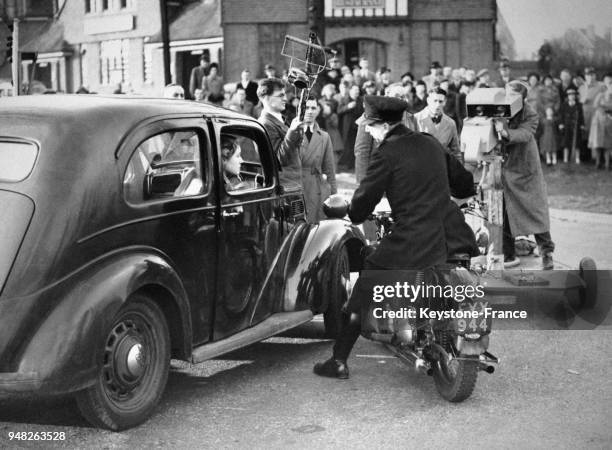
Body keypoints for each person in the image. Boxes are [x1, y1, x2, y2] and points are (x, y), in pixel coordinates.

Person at [312, 96, 465, 379]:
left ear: (382, 125)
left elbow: (360, 208)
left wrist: (353, 208)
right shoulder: (431, 142)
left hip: (412, 239)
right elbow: (465, 183)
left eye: (369, 126)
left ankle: (339, 361)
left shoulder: (386, 153)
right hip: (449, 236)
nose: (368, 131)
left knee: (363, 291)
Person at [493, 80, 555, 270]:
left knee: (536, 212)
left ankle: (547, 253)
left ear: (523, 98)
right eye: (507, 94)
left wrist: (505, 133)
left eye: (514, 96)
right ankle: (508, 254)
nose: (509, 99)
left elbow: (525, 134)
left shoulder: (530, 113)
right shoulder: (498, 108)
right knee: (504, 211)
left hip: (526, 168)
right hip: (506, 168)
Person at [256, 77, 303, 186]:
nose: (285, 99)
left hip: (293, 183)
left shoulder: (281, 119)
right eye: (280, 95)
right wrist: (292, 132)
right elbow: (278, 160)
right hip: (283, 187)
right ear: (266, 98)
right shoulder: (265, 124)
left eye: (285, 94)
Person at [299, 97, 338, 223]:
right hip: (298, 187)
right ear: (300, 109)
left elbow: (330, 169)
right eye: (306, 107)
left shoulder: (324, 137)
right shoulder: (292, 134)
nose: (310, 111)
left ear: (318, 111)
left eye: (313, 108)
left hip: (318, 188)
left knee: (318, 227)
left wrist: (334, 196)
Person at [414, 87, 461, 161]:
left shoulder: (451, 123)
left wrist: (459, 171)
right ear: (428, 100)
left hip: (442, 166)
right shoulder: (416, 119)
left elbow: (456, 152)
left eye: (440, 101)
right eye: (435, 101)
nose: (437, 104)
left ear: (445, 102)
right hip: (420, 165)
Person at [579, 67, 604, 161]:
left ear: (595, 75)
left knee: (596, 134)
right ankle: (586, 156)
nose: (590, 77)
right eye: (588, 75)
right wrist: (583, 99)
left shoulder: (600, 86)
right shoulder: (581, 87)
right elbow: (579, 100)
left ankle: (598, 157)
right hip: (585, 114)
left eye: (592, 75)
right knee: (585, 134)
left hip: (596, 114)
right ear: (585, 76)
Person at [588, 73, 612, 169]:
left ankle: (607, 163)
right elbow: (595, 105)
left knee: (608, 142)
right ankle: (598, 162)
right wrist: (604, 110)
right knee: (597, 142)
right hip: (598, 120)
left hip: (609, 121)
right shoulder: (601, 94)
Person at [558, 88, 585, 164]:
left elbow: (581, 116)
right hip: (566, 126)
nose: (572, 96)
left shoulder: (579, 105)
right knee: (566, 142)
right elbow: (561, 115)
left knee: (577, 142)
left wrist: (582, 124)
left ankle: (577, 158)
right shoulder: (564, 105)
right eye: (570, 95)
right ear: (567, 96)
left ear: (575, 96)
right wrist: (561, 124)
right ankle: (566, 158)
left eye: (573, 95)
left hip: (576, 126)